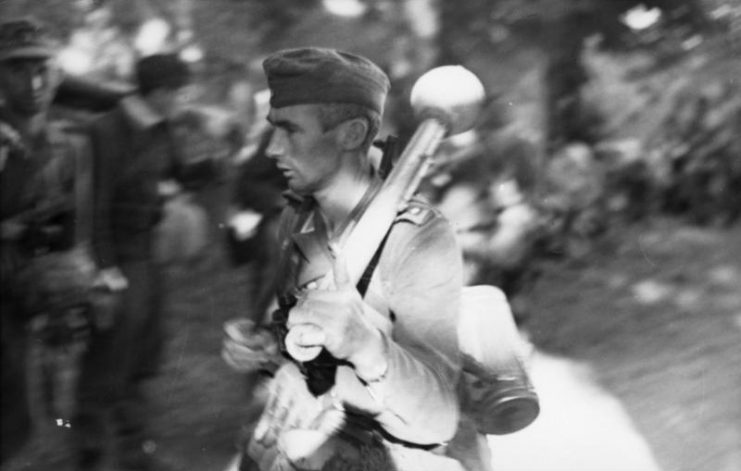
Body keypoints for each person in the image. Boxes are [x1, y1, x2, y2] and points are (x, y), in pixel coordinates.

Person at [222, 47, 491, 471]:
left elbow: (438, 419)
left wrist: (365, 346)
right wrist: (266, 348)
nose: (273, 148)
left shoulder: (417, 237)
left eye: (290, 130)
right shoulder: (298, 217)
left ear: (350, 134)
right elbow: (302, 337)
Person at [73, 53, 191, 471]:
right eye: (177, 92)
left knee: (141, 356)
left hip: (147, 253)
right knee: (106, 357)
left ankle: (133, 452)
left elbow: (177, 172)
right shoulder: (103, 131)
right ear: (158, 92)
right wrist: (105, 271)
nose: (181, 99)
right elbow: (94, 207)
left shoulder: (162, 129)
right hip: (116, 255)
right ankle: (87, 451)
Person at [0, 17, 91, 464]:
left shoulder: (65, 146)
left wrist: (70, 280)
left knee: (21, 406)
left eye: (43, 69)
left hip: (28, 292)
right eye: (18, 69)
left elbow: (71, 226)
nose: (35, 82)